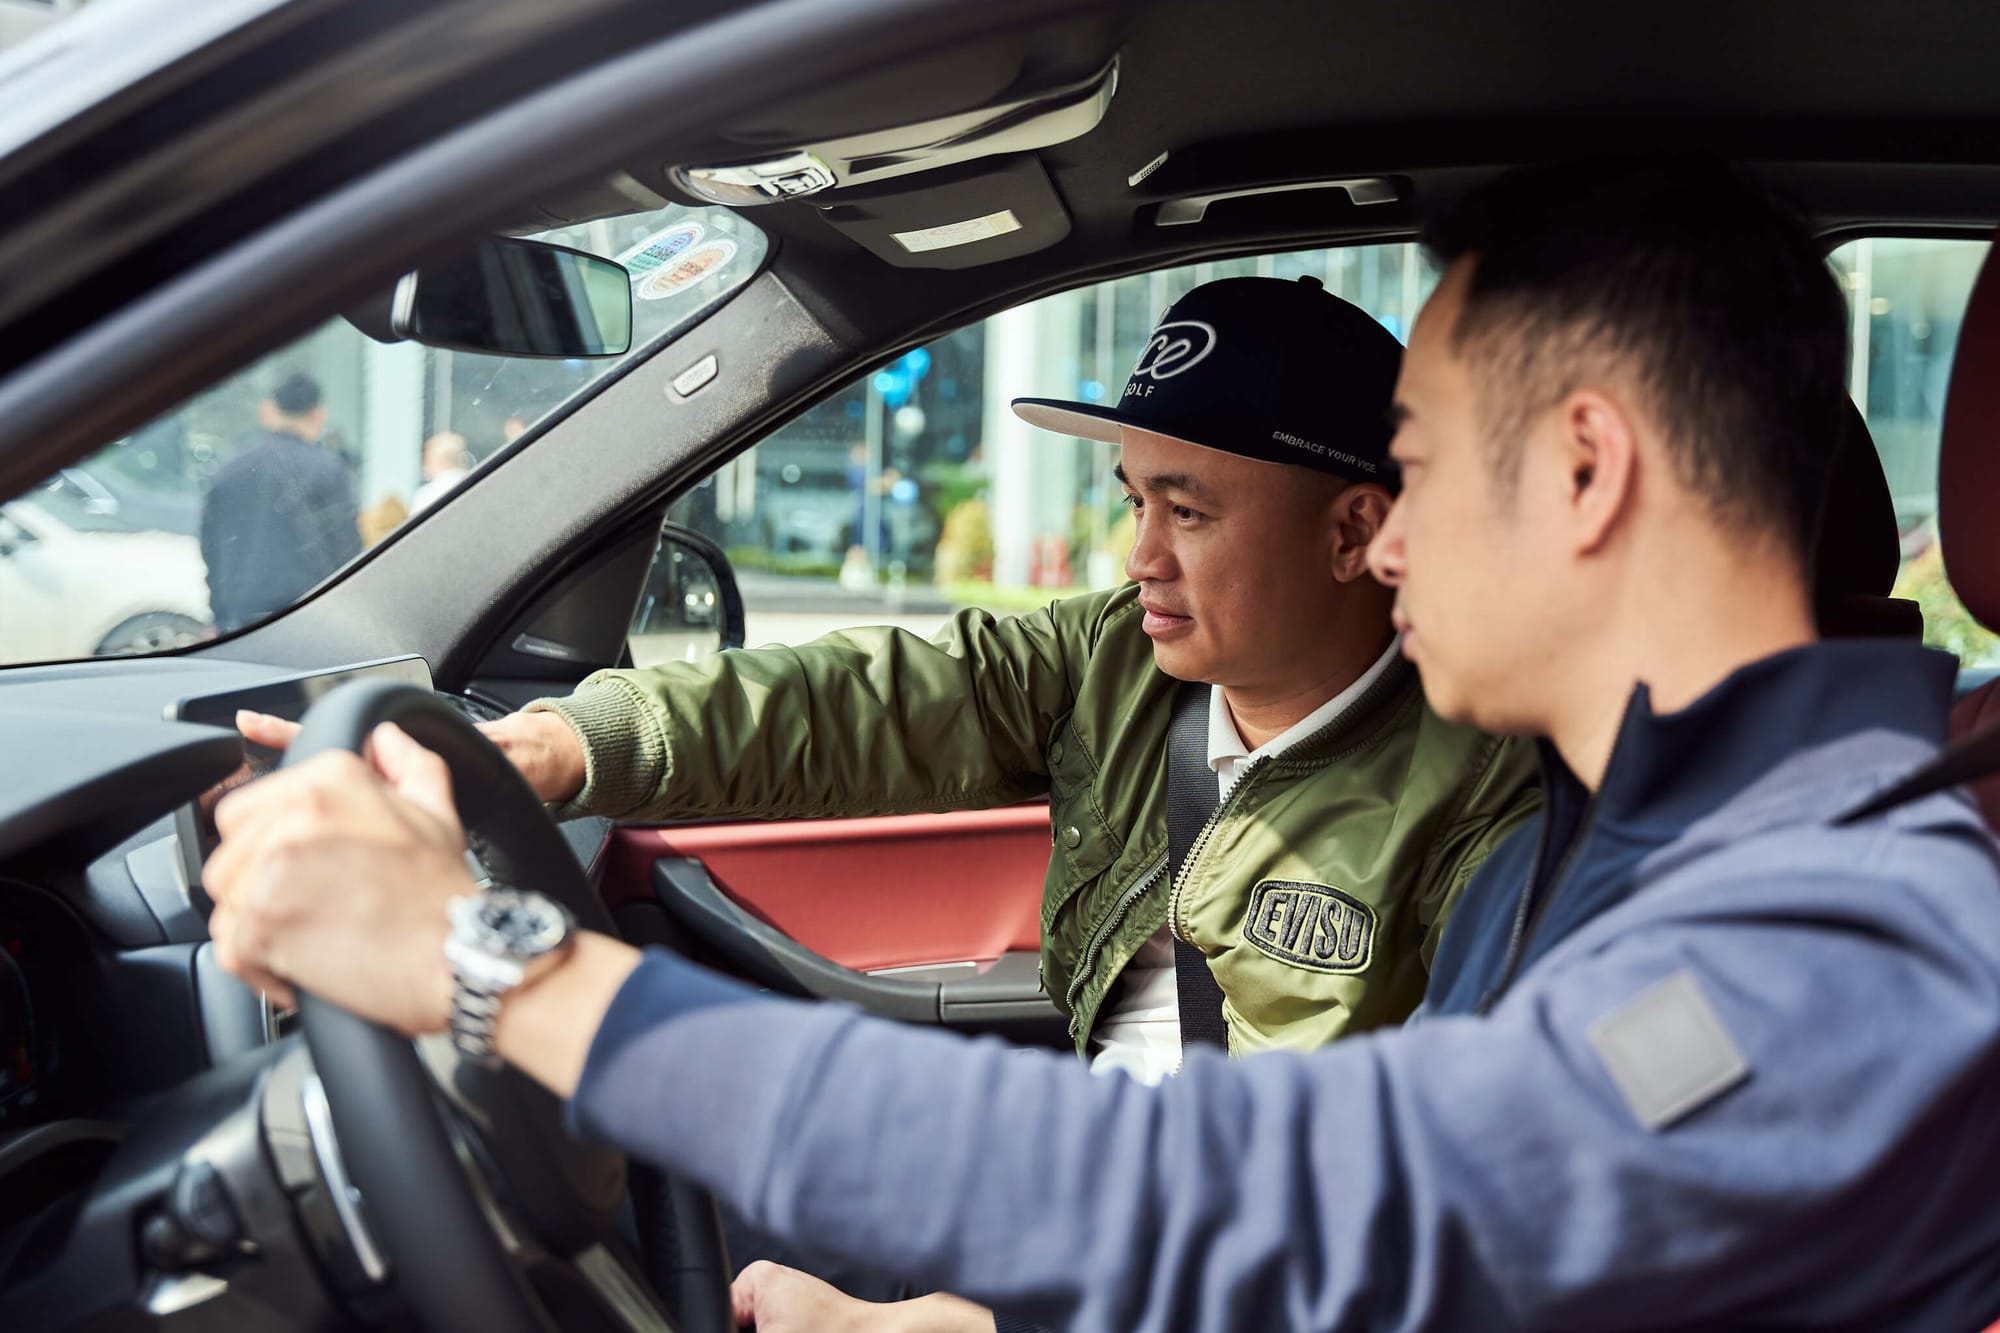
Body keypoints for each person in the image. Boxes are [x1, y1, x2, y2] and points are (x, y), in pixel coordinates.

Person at [210, 155, 2000, 1331]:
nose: (1390, 543)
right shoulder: (1662, 841)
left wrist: (490, 963)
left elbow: (1314, 1197)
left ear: (1589, 469)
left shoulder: (1839, 949)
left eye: (1419, 474)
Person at [233, 277, 1538, 1326]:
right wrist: (555, 749)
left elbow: (1331, 1226)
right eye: (1132, 500)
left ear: (1352, 531)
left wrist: (953, 1324)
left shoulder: (1484, 805)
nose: (1137, 554)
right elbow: (858, 698)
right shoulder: (1118, 663)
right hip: (1074, 1202)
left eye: (1186, 512)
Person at [198, 371, 360, 633]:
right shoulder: (329, 470)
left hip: (240, 624)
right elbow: (346, 552)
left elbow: (212, 549)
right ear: (318, 415)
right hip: (309, 621)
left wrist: (219, 617)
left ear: (267, 410)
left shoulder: (230, 469)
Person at [409, 431, 472, 514]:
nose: (425, 466)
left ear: (434, 460)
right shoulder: (475, 484)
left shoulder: (425, 496)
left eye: (427, 460)